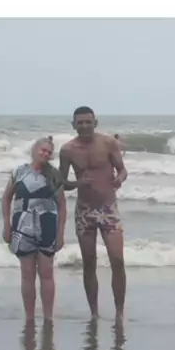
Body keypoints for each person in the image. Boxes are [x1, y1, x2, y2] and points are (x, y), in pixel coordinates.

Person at [59, 106, 128, 321]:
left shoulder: (108, 143)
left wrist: (119, 179)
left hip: (108, 209)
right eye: (80, 122)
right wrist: (77, 183)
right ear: (73, 125)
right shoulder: (67, 150)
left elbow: (122, 169)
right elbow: (62, 183)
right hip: (85, 211)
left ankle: (119, 312)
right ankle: (94, 313)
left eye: (88, 122)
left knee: (117, 260)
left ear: (95, 123)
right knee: (89, 263)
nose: (84, 126)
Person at [2, 137, 66, 322]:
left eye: (49, 152)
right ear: (34, 150)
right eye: (43, 150)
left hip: (48, 226)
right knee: (27, 274)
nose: (45, 154)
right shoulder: (19, 172)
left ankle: (48, 317)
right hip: (22, 226)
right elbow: (6, 198)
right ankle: (29, 317)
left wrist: (60, 234)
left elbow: (62, 206)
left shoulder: (54, 175)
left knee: (47, 273)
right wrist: (7, 225)